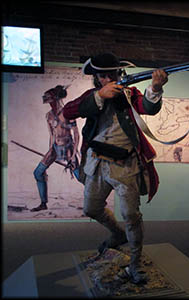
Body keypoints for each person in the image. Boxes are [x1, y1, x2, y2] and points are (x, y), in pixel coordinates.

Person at [63, 53, 168, 284]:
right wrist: (99, 96)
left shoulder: (130, 94)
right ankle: (117, 234)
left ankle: (135, 264)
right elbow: (69, 111)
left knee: (131, 215)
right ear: (96, 78)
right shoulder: (92, 96)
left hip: (125, 165)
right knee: (91, 208)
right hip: (98, 163)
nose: (108, 78)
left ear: (119, 73)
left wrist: (156, 87)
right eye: (103, 75)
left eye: (112, 73)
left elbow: (148, 107)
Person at [31, 85, 80, 212]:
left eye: (52, 101)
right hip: (55, 147)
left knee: (80, 177)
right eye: (49, 102)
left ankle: (98, 198)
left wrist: (74, 153)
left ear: (57, 99)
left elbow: (76, 134)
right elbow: (52, 136)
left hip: (68, 148)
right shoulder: (49, 116)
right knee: (38, 172)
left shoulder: (67, 113)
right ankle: (43, 203)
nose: (50, 104)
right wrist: (49, 152)